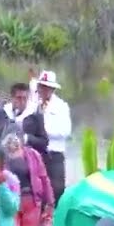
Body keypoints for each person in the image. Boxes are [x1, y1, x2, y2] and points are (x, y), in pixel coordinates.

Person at [33, 70, 73, 202]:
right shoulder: (34, 105)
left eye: (47, 87)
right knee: (38, 190)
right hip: (38, 153)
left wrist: (44, 132)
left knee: (57, 190)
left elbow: (66, 131)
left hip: (54, 154)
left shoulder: (61, 106)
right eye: (41, 86)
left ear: (52, 89)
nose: (43, 90)